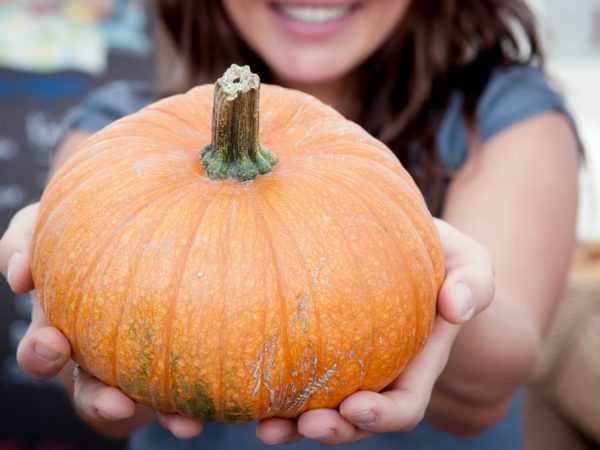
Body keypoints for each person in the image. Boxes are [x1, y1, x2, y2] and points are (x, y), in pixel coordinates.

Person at [0, 0, 579, 448]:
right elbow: (102, 408)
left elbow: (485, 397)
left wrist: (424, 277)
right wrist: (70, 265)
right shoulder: (116, 134)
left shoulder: (506, 119)